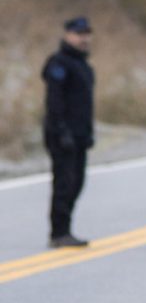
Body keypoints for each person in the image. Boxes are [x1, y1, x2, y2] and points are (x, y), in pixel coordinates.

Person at [42, 16, 95, 248]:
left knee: (78, 182)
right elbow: (54, 102)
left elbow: (86, 104)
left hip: (80, 134)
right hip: (61, 134)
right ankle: (59, 232)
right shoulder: (59, 63)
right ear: (67, 35)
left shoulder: (83, 65)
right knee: (64, 182)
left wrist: (88, 132)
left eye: (86, 34)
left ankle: (65, 229)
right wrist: (61, 131)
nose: (84, 38)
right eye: (79, 33)